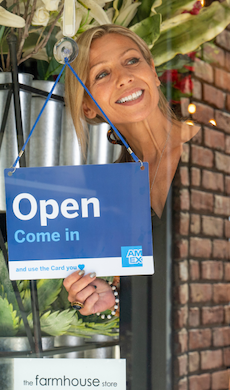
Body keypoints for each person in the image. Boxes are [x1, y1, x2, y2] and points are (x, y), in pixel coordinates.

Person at [62, 24, 198, 315]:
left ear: (153, 70)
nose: (124, 77)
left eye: (132, 61)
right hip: (154, 354)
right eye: (102, 73)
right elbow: (148, 292)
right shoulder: (110, 191)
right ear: (88, 107)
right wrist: (108, 295)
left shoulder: (216, 151)